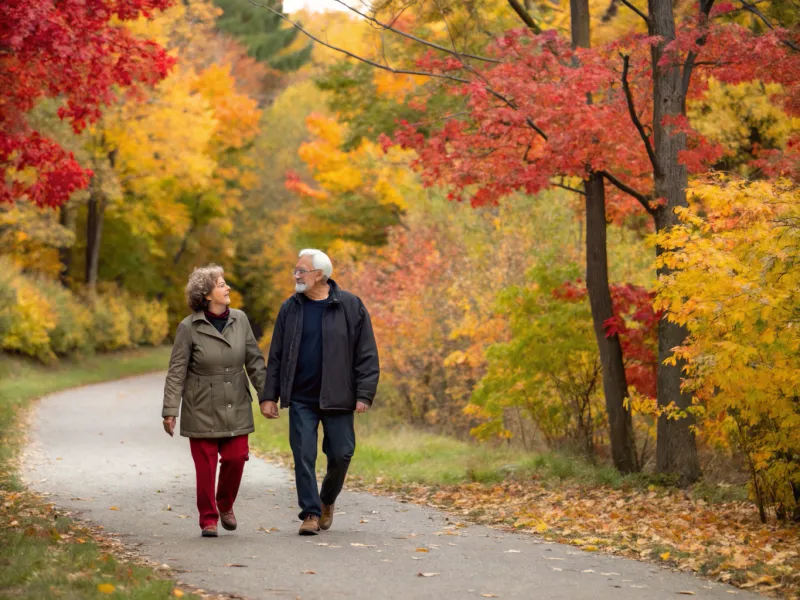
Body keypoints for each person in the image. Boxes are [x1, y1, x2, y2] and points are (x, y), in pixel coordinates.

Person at [260, 249, 379, 535]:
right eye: (295, 270)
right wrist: (269, 396)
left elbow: (366, 353)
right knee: (303, 454)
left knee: (342, 453)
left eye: (302, 270)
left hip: (339, 397)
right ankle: (310, 513)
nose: (296, 275)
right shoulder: (290, 308)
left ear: (320, 275)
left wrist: (364, 394)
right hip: (301, 397)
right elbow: (276, 355)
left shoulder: (351, 306)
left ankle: (327, 500)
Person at [162, 265, 267, 538]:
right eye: (221, 284)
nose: (227, 287)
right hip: (201, 405)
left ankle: (225, 504)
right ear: (206, 294)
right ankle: (208, 519)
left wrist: (266, 396)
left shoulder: (240, 319)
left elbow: (254, 360)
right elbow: (177, 371)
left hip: (236, 402)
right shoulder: (188, 327)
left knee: (236, 457)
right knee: (206, 468)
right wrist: (170, 410)